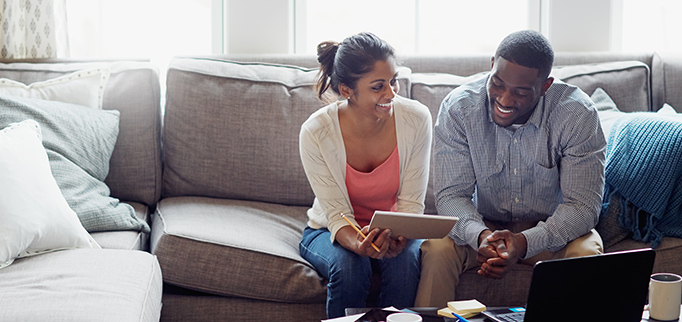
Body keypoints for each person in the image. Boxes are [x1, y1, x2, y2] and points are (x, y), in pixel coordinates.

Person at [414, 30, 606, 307]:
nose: (504, 99)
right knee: (437, 248)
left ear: (545, 86)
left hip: (549, 233)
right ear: (492, 65)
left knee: (587, 252)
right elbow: (451, 196)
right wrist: (480, 236)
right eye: (498, 84)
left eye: (520, 92)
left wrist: (525, 242)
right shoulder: (459, 108)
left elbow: (583, 207)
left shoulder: (577, 115)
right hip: (483, 228)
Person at [299, 32, 432, 318]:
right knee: (351, 267)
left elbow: (411, 204)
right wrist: (360, 244)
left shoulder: (416, 119)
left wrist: (402, 236)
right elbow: (336, 215)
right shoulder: (316, 131)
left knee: (405, 265)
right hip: (330, 231)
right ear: (347, 90)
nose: (391, 94)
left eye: (393, 81)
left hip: (393, 230)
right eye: (377, 87)